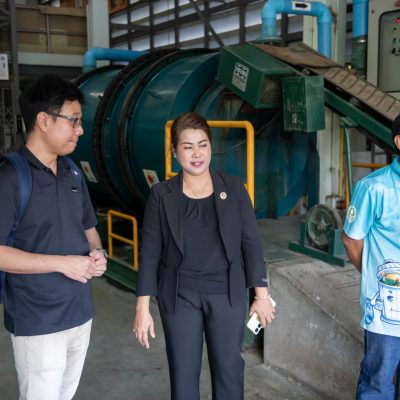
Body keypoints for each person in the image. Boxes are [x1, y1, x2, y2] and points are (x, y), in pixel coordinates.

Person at [133, 111, 275, 400]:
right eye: (188, 147)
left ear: (211, 146)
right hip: (179, 295)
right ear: (175, 151)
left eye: (203, 145)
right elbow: (150, 251)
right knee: (183, 374)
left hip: (226, 293)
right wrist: (142, 307)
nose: (196, 154)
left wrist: (261, 295)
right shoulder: (161, 194)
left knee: (229, 371)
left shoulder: (233, 188)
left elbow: (250, 243)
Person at [0, 74, 107, 400]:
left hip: (80, 313)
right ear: (43, 121)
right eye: (73, 120)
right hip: (38, 320)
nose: (80, 130)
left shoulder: (73, 172)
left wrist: (98, 253)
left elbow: (89, 228)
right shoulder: (10, 177)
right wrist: (62, 264)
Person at [342, 114, 400, 399]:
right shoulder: (374, 187)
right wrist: (373, 274)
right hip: (387, 311)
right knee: (379, 381)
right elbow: (351, 240)